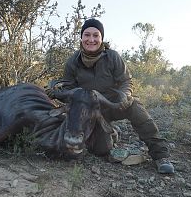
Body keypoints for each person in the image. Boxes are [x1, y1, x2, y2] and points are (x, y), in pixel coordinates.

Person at [52, 18, 174, 174]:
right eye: (87, 35)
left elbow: (126, 81)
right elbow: (68, 87)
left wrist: (124, 95)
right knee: (101, 150)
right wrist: (58, 92)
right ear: (81, 38)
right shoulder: (73, 62)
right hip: (90, 111)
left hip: (113, 104)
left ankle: (161, 155)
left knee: (136, 108)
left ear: (101, 38)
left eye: (96, 35)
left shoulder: (113, 57)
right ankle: (110, 133)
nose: (91, 39)